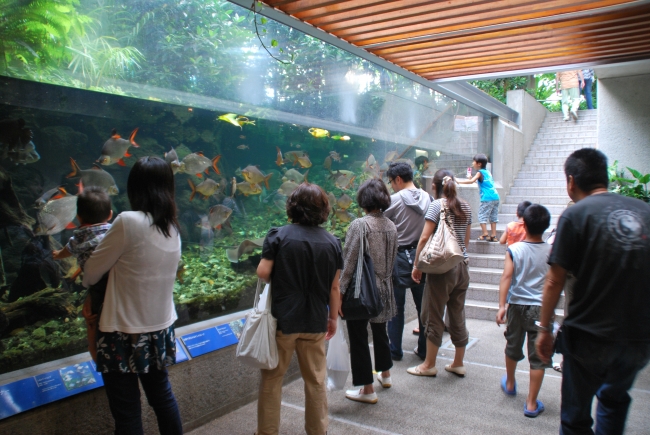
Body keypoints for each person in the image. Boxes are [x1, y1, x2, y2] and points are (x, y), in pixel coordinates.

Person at [536, 148, 650, 435]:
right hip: (637, 339)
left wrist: (544, 329)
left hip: (588, 338)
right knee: (614, 401)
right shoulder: (645, 212)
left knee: (575, 418)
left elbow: (553, 281)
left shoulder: (575, 215)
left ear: (571, 181)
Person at [83, 157, 182, 435]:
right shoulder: (172, 227)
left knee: (127, 411)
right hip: (160, 329)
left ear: (134, 187)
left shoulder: (128, 221)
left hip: (121, 332)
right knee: (162, 398)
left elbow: (90, 273)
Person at [256, 183, 342, 435]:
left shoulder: (278, 235)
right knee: (315, 380)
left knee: (272, 379)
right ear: (323, 209)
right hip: (315, 320)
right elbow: (334, 288)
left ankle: (267, 432)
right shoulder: (333, 242)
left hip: (283, 320)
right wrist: (333, 318)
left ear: (293, 206)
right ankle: (318, 431)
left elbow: (263, 272)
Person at [409, 169, 472, 377]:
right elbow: (466, 241)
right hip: (461, 266)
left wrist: (417, 265)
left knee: (433, 314)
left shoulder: (437, 205)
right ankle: (458, 363)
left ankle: (428, 365)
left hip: (442, 269)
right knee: (457, 313)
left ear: (434, 187)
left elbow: (424, 238)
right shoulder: (466, 206)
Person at [339, 179, 398, 404]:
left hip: (363, 291)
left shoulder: (360, 225)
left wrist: (340, 291)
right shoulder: (391, 225)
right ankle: (385, 374)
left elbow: (350, 260)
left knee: (359, 337)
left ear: (363, 200)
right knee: (381, 331)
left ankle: (367, 389)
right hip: (384, 287)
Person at [496, 204, 552, 418]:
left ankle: (510, 383)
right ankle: (530, 403)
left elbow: (506, 278)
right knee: (538, 356)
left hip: (517, 306)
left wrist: (502, 306)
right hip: (541, 309)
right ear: (546, 226)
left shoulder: (515, 249)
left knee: (513, 344)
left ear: (524, 224)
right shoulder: (552, 251)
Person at [53, 186, 113, 362]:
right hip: (116, 281)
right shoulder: (113, 231)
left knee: (91, 320)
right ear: (109, 215)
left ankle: (95, 355)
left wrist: (57, 255)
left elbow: (67, 250)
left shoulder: (78, 236)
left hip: (96, 287)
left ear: (78, 217)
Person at [384, 162, 431, 361]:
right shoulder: (429, 198)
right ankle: (423, 350)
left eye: (391, 182)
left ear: (399, 179)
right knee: (424, 307)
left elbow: (379, 220)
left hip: (399, 257)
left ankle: (395, 350)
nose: (392, 186)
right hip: (422, 258)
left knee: (396, 307)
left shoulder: (394, 200)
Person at [458, 153, 499, 242]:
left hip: (487, 198)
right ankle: (494, 235)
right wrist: (471, 178)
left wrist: (458, 181)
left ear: (479, 164)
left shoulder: (479, 172)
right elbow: (481, 183)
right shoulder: (488, 172)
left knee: (481, 215)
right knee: (493, 217)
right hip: (495, 197)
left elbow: (472, 181)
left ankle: (485, 234)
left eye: (474, 162)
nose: (473, 164)